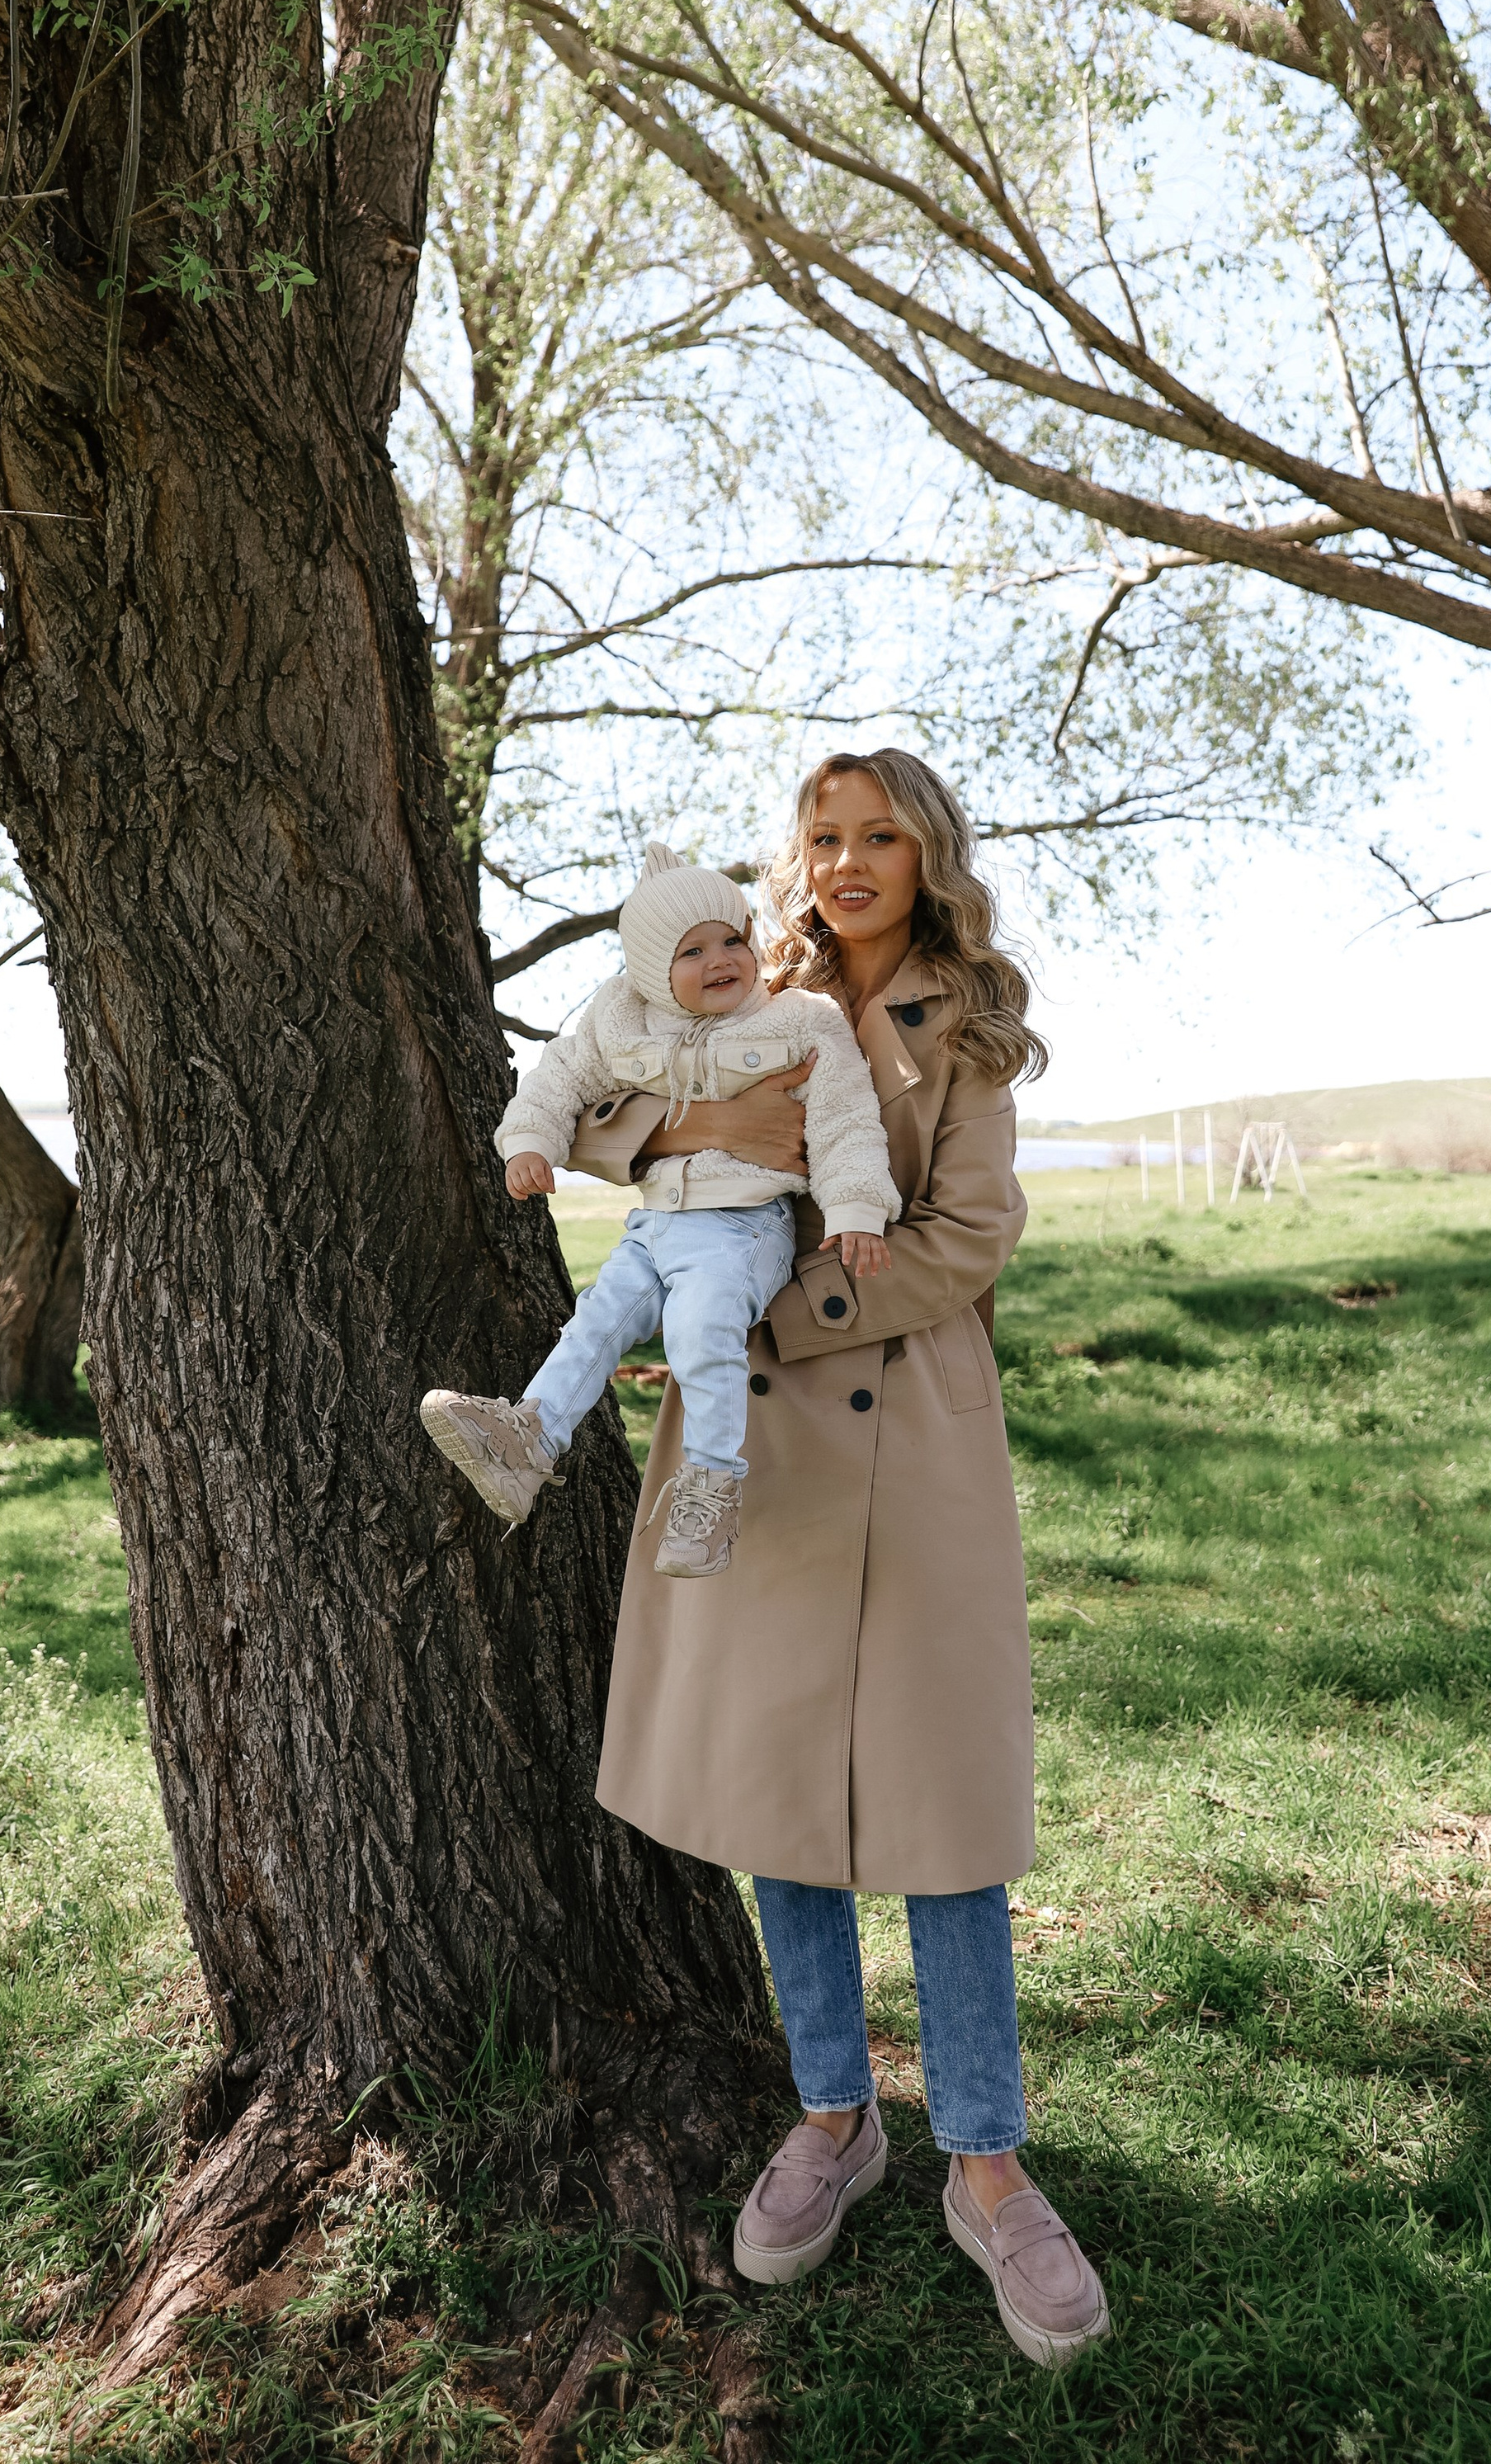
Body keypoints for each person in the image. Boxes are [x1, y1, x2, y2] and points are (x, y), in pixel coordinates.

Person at [574, 752, 1110, 2367]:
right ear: (792, 855)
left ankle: (988, 2161)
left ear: (924, 853)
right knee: (774, 1795)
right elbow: (598, 1121)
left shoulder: (969, 1024)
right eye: (825, 835)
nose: (851, 859)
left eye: (880, 835)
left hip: (915, 1437)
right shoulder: (729, 982)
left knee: (947, 1814)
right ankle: (830, 2115)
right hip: (750, 1443)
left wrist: (773, 1318)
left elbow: (964, 1236)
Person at [419, 843, 897, 1578]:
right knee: (594, 1322)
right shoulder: (622, 1022)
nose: (720, 959)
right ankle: (530, 1443)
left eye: (733, 939)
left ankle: (711, 1487)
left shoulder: (799, 1020)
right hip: (656, 1226)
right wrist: (526, 1142)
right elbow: (558, 1081)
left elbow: (844, 1118)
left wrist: (856, 1208)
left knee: (701, 1328)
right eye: (692, 950)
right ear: (650, 972)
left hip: (744, 1225)